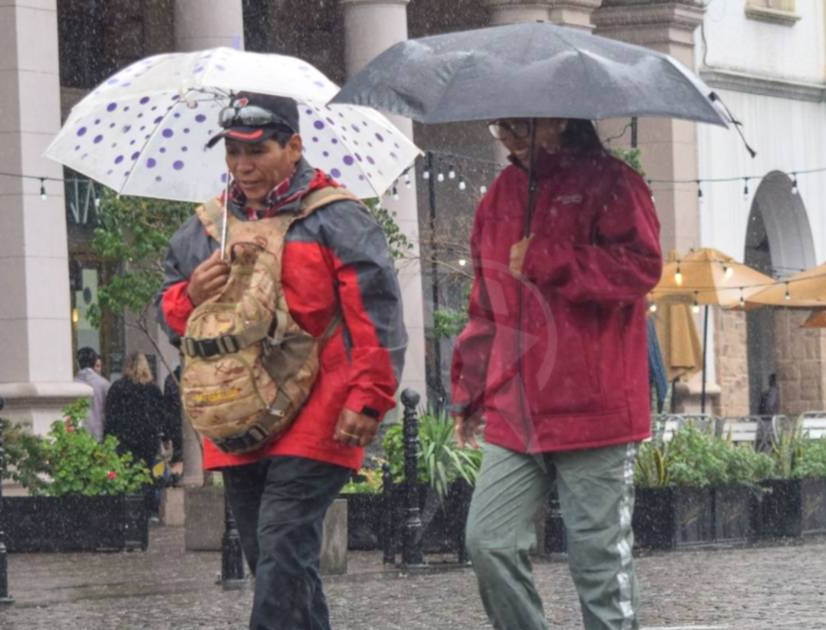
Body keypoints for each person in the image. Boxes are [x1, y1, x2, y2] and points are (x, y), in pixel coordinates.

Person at [154, 92, 404, 630]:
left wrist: (369, 399)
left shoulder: (339, 218)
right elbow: (169, 314)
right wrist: (190, 295)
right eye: (232, 153)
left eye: (257, 150)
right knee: (277, 560)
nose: (241, 166)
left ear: (294, 146)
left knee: (281, 547)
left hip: (323, 411)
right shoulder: (204, 229)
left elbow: (375, 317)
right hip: (237, 416)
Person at [452, 117, 661, 630]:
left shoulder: (613, 183)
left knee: (599, 566)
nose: (507, 133)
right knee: (488, 542)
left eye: (522, 122)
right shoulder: (498, 198)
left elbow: (641, 268)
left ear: (561, 115)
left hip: (595, 410)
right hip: (515, 411)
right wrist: (470, 392)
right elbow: (485, 306)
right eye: (500, 123)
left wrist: (548, 258)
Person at [104, 352, 165, 469]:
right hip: (148, 439)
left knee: (126, 472)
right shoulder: (152, 388)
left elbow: (110, 415)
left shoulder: (117, 387)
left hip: (123, 438)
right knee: (148, 473)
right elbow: (160, 415)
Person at [73, 346, 110, 441]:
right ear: (94, 362)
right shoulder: (104, 384)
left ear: (78, 363)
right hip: (99, 433)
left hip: (78, 434)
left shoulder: (72, 384)